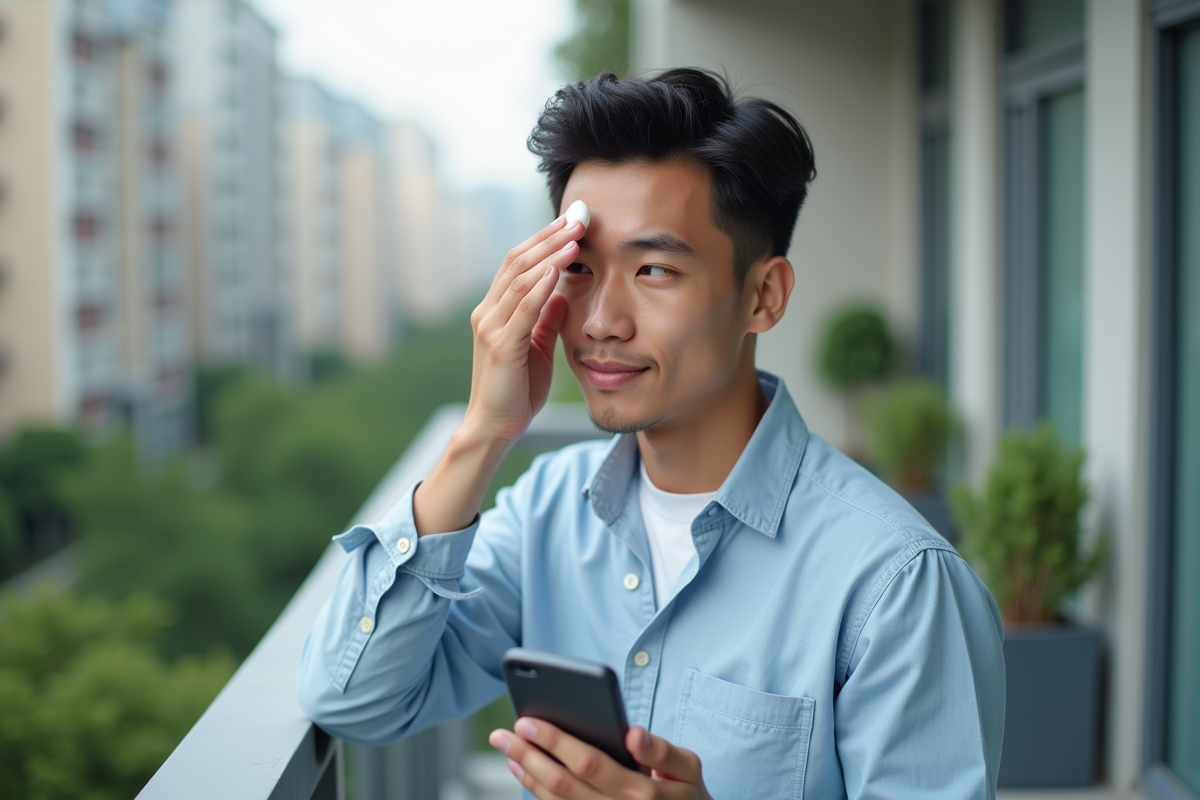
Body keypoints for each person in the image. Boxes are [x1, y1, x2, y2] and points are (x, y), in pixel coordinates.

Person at [298, 69, 1005, 799]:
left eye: (655, 269)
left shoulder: (898, 583)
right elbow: (352, 700)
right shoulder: (548, 510)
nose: (602, 320)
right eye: (578, 267)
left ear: (763, 296)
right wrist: (482, 432)